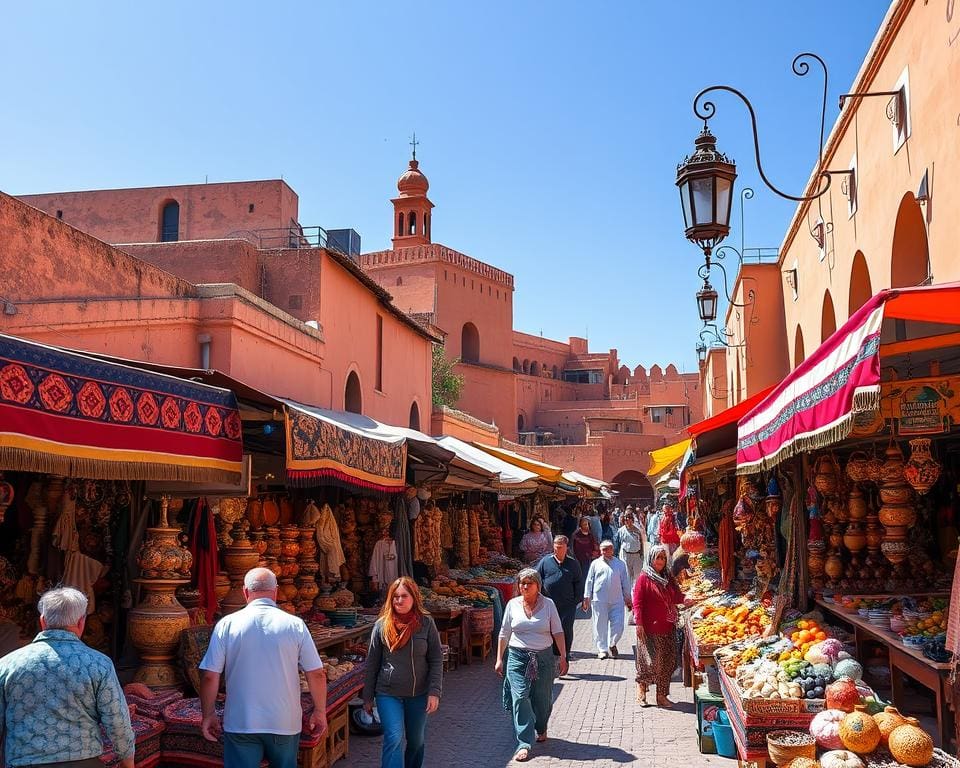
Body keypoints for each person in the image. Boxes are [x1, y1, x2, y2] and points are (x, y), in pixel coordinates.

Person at [200, 568, 327, 768]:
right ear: (275, 591)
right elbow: (317, 673)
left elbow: (209, 676)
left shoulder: (227, 625)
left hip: (241, 721)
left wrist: (208, 714)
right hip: (284, 721)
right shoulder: (295, 625)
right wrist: (320, 711)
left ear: (245, 592)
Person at [0, 586, 135, 768]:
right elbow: (117, 722)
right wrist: (128, 763)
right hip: (83, 762)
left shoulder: (8, 664)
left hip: (23, 762)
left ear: (42, 621)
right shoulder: (98, 664)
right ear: (81, 622)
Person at [362, 576, 443, 768]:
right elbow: (372, 662)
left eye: (404, 596)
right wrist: (367, 697)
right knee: (394, 736)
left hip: (419, 694)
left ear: (414, 597)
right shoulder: (381, 625)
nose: (399, 600)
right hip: (388, 693)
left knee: (416, 741)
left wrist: (434, 692)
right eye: (395, 596)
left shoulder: (426, 623)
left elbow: (436, 659)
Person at [495, 568, 567, 763]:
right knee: (520, 697)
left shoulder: (549, 605)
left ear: (538, 586)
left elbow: (558, 631)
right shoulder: (512, 604)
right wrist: (500, 658)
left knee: (542, 699)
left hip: (543, 658)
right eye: (522, 583)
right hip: (517, 657)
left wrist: (563, 656)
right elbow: (504, 632)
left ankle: (541, 726)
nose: (525, 586)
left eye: (529, 583)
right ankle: (524, 742)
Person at [632, 544, 688, 708]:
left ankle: (661, 696)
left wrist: (686, 599)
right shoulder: (644, 578)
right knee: (650, 663)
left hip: (667, 627)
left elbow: (676, 595)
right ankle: (642, 687)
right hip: (649, 629)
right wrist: (639, 623)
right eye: (658, 557)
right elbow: (638, 602)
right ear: (651, 558)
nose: (661, 561)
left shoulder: (668, 577)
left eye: (663, 558)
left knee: (667, 663)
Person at [582, 540, 632, 659]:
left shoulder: (620, 564)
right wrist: (586, 597)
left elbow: (625, 581)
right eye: (603, 549)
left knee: (618, 624)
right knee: (600, 625)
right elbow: (589, 581)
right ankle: (602, 649)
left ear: (612, 550)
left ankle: (612, 644)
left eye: (607, 549)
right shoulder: (595, 564)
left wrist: (628, 598)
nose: (605, 551)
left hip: (617, 600)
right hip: (599, 600)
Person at [534, 535, 582, 661]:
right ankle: (553, 656)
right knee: (549, 629)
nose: (557, 550)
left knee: (565, 629)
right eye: (555, 547)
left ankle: (564, 656)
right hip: (549, 603)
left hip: (567, 605)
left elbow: (578, 582)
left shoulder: (573, 564)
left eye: (560, 547)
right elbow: (536, 578)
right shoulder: (545, 561)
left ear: (566, 548)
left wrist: (577, 600)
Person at [615, 509, 647, 603]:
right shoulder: (621, 531)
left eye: (629, 519)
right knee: (627, 577)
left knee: (637, 577)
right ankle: (628, 597)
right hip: (625, 555)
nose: (627, 521)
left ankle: (637, 596)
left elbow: (642, 543)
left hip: (636, 556)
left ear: (632, 520)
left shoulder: (637, 530)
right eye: (626, 519)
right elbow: (618, 544)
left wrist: (642, 555)